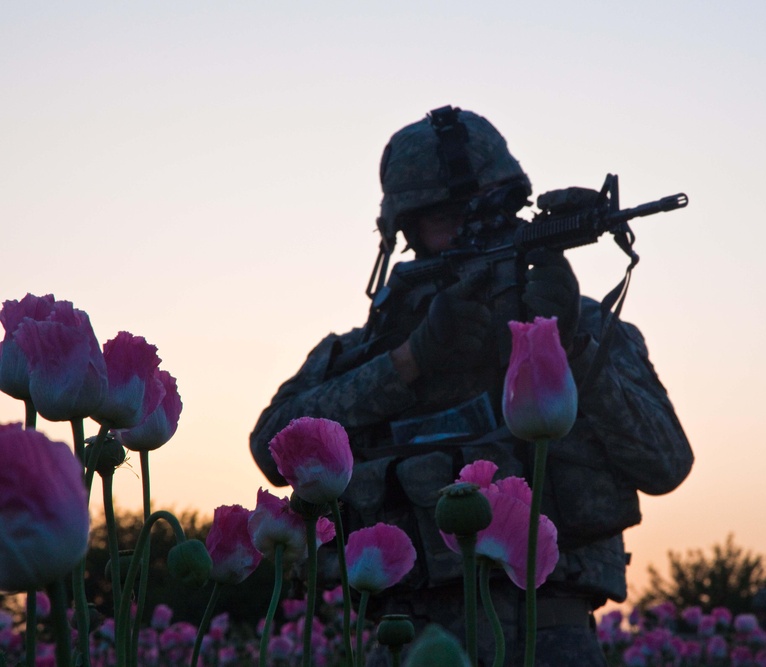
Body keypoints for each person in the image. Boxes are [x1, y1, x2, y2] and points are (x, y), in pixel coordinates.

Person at [250, 105, 694, 666]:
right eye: (448, 215)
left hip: (549, 636)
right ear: (406, 230)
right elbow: (274, 447)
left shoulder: (588, 328)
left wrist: (567, 349)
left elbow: (666, 464)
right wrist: (410, 360)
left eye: (490, 210)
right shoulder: (363, 350)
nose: (471, 229)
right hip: (411, 639)